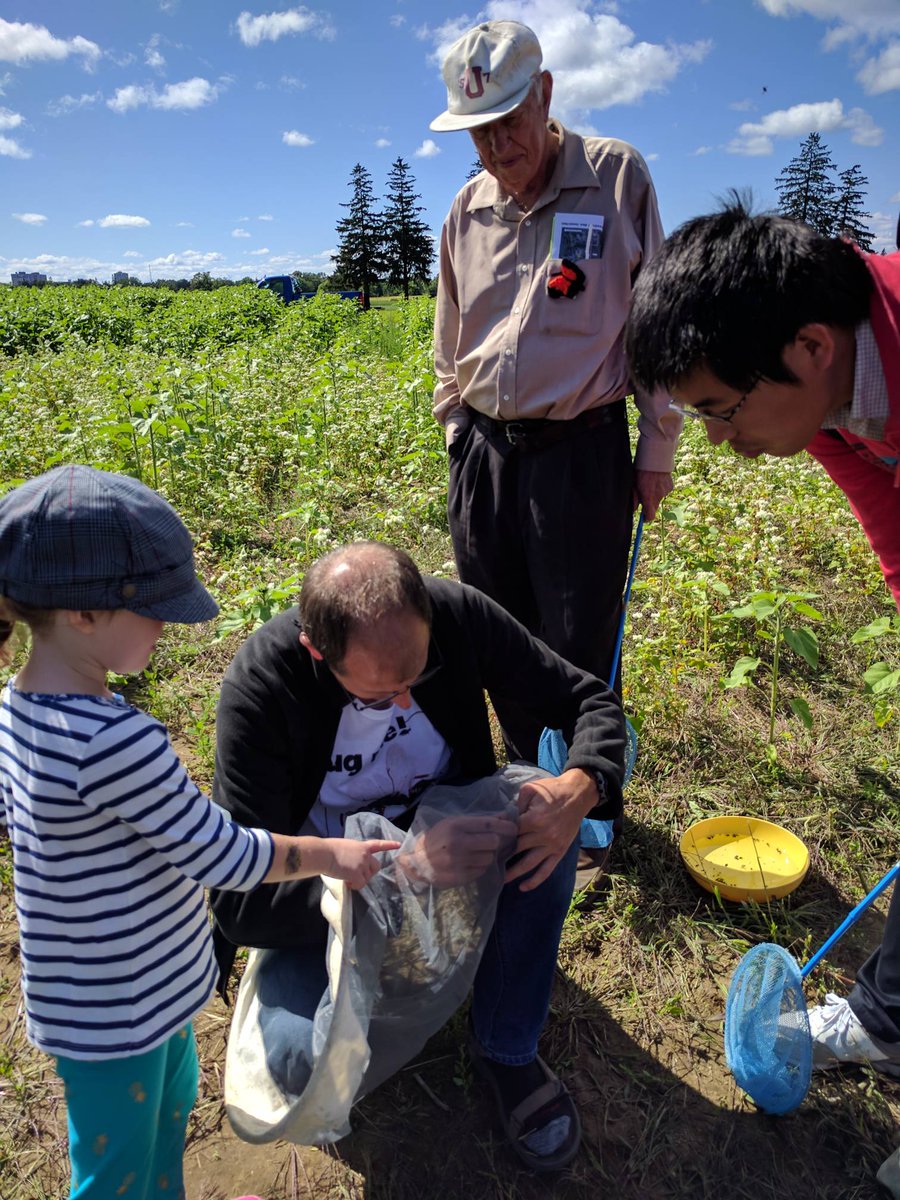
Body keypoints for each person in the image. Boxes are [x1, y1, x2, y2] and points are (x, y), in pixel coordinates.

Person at [0, 465, 398, 1200]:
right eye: (153, 611)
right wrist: (333, 855)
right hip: (124, 1011)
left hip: (111, 993)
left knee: (165, 1120)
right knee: (113, 1177)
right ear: (83, 614)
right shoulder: (116, 744)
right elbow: (225, 854)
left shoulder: (14, 711)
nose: (167, 627)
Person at [210, 540, 626, 1172]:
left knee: (542, 817)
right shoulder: (264, 687)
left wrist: (582, 785)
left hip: (457, 845)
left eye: (420, 676)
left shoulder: (455, 612)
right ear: (318, 652)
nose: (405, 702)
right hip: (335, 892)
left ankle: (506, 1047)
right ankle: (390, 973)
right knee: (295, 1064)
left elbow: (586, 698)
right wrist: (400, 874)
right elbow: (239, 901)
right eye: (382, 696)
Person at [624, 201, 900, 1090]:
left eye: (719, 408)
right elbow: (893, 525)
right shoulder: (831, 391)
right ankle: (888, 1024)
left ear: (811, 347)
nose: (716, 437)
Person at [428, 19, 681, 773]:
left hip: (580, 452)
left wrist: (657, 447)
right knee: (496, 634)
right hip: (483, 453)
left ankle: (590, 800)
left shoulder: (615, 179)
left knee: (579, 641)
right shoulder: (466, 209)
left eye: (509, 120)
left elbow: (656, 327)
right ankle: (528, 786)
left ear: (544, 94)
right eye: (478, 131)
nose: (497, 144)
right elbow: (448, 336)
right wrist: (456, 428)